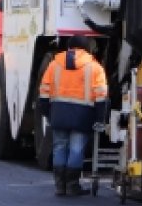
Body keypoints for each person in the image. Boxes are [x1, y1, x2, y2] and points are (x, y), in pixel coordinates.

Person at [38, 35, 108, 196]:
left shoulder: (54, 64)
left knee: (59, 147)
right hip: (82, 116)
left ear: (69, 47)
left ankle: (59, 186)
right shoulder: (95, 67)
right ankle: (72, 185)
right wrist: (99, 118)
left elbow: (44, 90)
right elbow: (101, 95)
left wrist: (47, 112)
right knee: (76, 150)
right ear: (87, 48)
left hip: (59, 113)